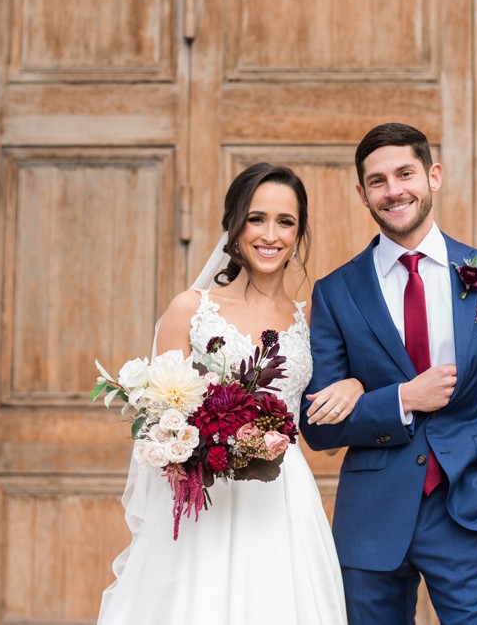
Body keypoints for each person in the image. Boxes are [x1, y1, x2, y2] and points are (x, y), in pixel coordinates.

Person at [300, 123, 477, 624]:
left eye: (405, 173)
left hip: (469, 515)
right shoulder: (335, 292)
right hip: (370, 522)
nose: (393, 191)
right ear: (362, 194)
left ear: (433, 175)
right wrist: (403, 399)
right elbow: (317, 426)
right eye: (377, 181)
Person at [98, 163, 361, 625]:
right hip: (208, 501)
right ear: (234, 226)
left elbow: (330, 407)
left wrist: (355, 385)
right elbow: (160, 424)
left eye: (286, 222)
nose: (270, 234)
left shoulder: (311, 317)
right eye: (257, 218)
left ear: (299, 234)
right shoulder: (191, 309)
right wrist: (208, 443)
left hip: (283, 498)